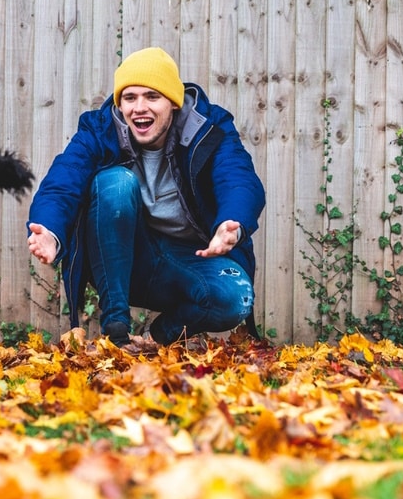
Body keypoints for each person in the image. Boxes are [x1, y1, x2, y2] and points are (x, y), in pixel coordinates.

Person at [27, 47, 265, 347]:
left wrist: (233, 222)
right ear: (120, 104)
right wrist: (49, 230)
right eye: (130, 97)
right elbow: (63, 181)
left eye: (152, 96)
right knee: (114, 182)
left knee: (235, 298)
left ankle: (156, 338)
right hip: (128, 257)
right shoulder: (100, 130)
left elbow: (238, 177)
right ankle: (116, 327)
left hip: (190, 259)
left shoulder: (209, 129)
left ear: (173, 104)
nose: (139, 107)